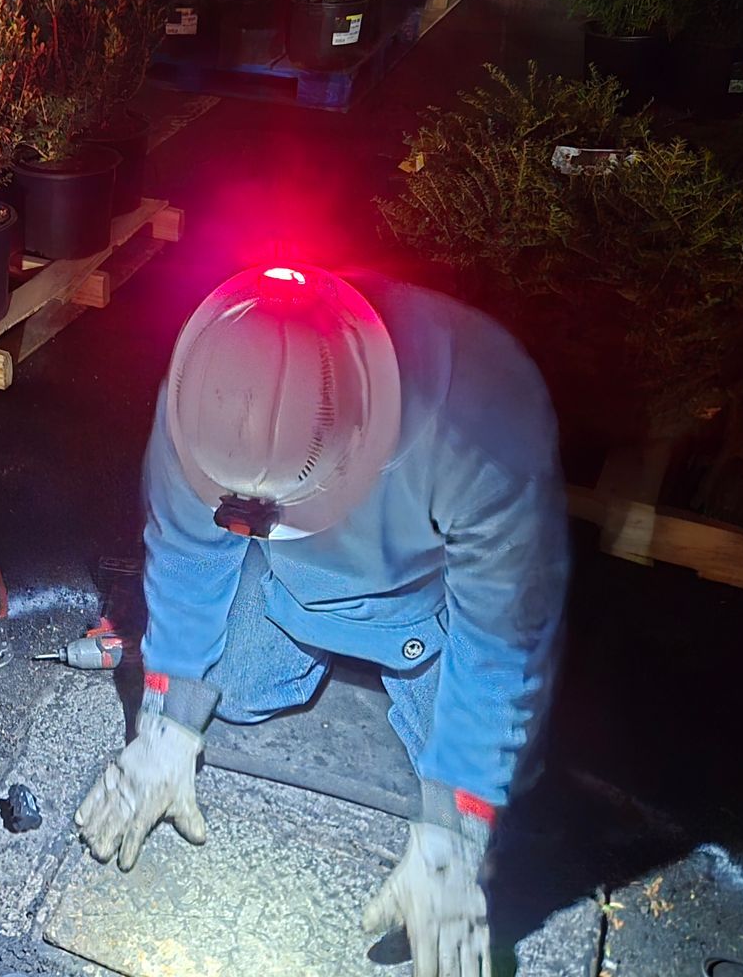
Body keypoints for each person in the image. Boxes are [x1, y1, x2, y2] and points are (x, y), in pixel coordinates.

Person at [76, 264, 569, 977]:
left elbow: (502, 640)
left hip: (435, 621)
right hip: (288, 585)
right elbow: (186, 553)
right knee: (229, 694)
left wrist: (453, 832)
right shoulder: (214, 379)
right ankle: (281, 629)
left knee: (493, 769)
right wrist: (167, 722)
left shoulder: (484, 420)